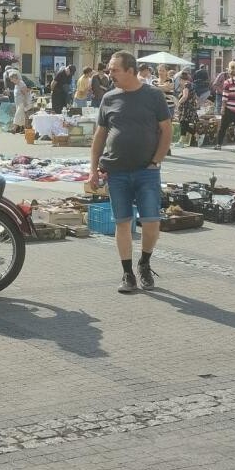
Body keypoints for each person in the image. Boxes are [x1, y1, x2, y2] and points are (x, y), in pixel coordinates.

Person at [90, 51, 172, 294]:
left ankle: (144, 263)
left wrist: (156, 161)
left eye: (114, 70)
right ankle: (127, 273)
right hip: (116, 171)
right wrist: (92, 169)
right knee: (122, 222)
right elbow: (100, 135)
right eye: (109, 70)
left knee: (151, 222)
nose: (110, 74)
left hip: (147, 170)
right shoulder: (109, 98)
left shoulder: (153, 96)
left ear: (130, 70)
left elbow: (166, 131)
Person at [214, 62, 235, 151]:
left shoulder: (227, 82)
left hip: (230, 109)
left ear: (229, 73)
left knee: (223, 127)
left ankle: (218, 144)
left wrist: (222, 108)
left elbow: (225, 97)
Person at [174, 70, 199, 147]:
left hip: (186, 108)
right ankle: (183, 140)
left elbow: (185, 96)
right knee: (184, 124)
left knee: (183, 124)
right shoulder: (190, 84)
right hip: (189, 107)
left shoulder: (186, 85)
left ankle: (195, 135)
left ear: (181, 79)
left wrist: (178, 103)